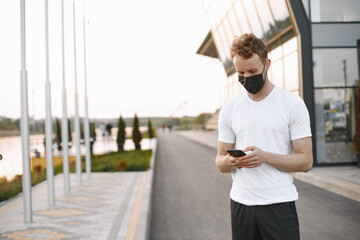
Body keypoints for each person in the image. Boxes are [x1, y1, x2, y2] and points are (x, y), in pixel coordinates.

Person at [216, 33, 313, 240]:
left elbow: (306, 160)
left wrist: (265, 157)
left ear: (267, 64)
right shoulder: (230, 109)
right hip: (241, 205)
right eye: (240, 72)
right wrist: (231, 161)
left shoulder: (292, 104)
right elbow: (220, 161)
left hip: (279, 206)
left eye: (253, 71)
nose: (247, 77)